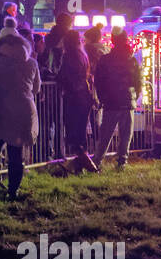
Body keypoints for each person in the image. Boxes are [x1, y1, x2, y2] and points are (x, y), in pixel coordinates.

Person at [0, 26, 41, 200]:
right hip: (23, 112)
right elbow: (36, 88)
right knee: (16, 155)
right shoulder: (31, 62)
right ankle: (13, 191)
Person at [93, 29, 141, 170]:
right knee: (126, 134)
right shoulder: (131, 60)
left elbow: (99, 81)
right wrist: (134, 96)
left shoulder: (106, 60)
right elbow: (138, 81)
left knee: (105, 134)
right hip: (127, 101)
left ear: (113, 40)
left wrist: (102, 98)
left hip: (111, 102)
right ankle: (122, 161)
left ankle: (97, 161)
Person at [58, 30, 99, 172]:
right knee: (81, 133)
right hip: (84, 96)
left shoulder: (69, 56)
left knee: (74, 135)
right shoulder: (83, 55)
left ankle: (90, 167)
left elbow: (63, 76)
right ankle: (79, 167)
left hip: (74, 97)